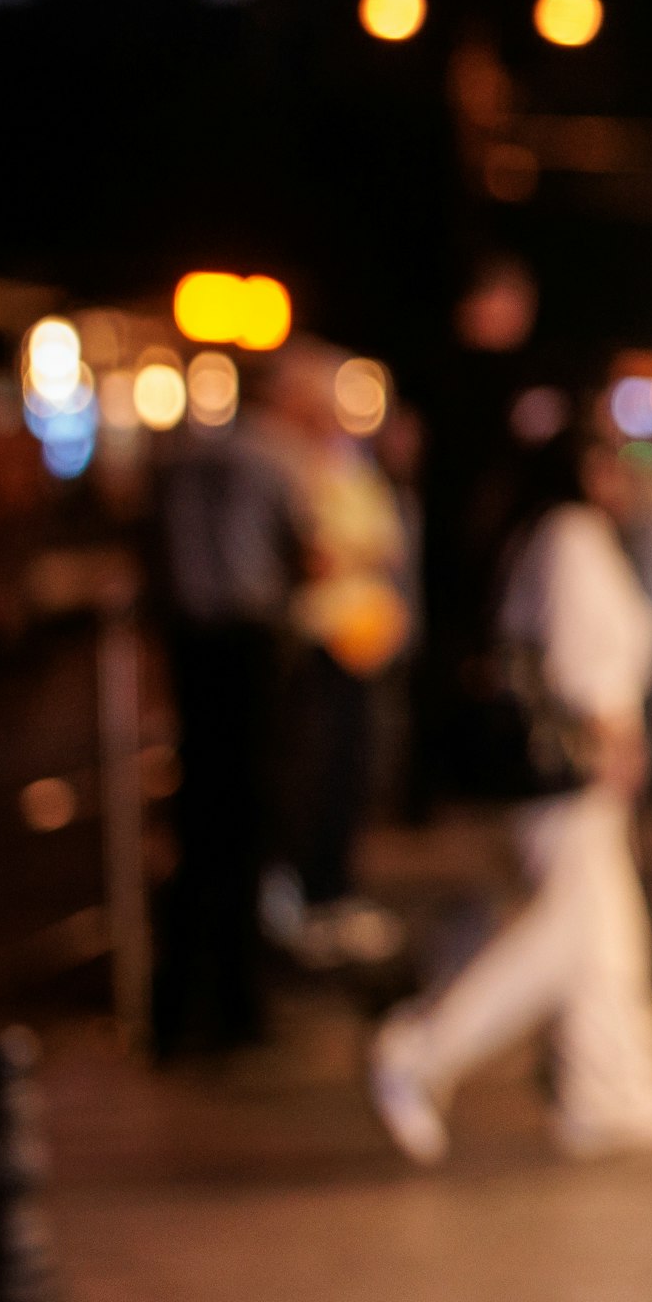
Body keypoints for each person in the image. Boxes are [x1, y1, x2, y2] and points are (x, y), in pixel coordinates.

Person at [366, 425, 652, 1166]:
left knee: (604, 939)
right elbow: (580, 659)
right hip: (569, 773)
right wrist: (615, 739)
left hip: (565, 774)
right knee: (568, 931)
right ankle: (422, 1049)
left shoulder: (548, 535)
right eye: (607, 458)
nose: (623, 475)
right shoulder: (568, 536)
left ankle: (610, 1094)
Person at [146, 365, 297, 1059]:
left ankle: (179, 1007)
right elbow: (299, 553)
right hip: (245, 647)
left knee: (198, 824)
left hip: (193, 648)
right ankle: (238, 1004)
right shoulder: (271, 460)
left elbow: (151, 557)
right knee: (245, 823)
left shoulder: (174, 464)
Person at [260, 345, 409, 969]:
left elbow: (386, 544)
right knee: (308, 775)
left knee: (349, 772)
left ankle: (332, 892)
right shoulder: (288, 465)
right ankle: (301, 900)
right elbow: (311, 555)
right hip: (316, 647)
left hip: (362, 644)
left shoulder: (349, 467)